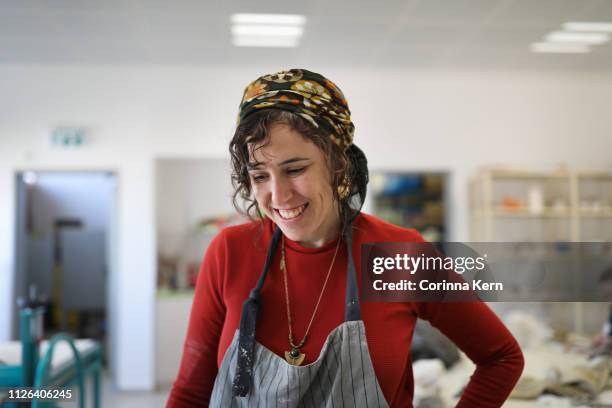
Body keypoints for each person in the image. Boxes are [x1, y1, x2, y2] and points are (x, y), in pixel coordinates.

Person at [167, 69, 524, 407]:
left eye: (295, 169)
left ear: (337, 164)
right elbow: (191, 392)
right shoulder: (230, 252)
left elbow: (501, 357)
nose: (278, 195)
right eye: (260, 175)